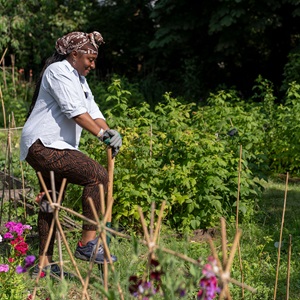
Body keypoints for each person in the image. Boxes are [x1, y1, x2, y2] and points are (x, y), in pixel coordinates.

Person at [20, 31, 122, 277]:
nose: (93, 64)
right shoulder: (58, 71)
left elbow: (93, 111)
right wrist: (101, 136)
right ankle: (87, 243)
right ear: (74, 55)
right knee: (96, 176)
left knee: (51, 202)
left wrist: (110, 131)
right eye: (90, 59)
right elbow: (74, 111)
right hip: (44, 144)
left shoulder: (80, 80)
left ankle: (43, 265)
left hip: (54, 145)